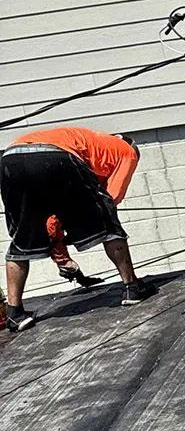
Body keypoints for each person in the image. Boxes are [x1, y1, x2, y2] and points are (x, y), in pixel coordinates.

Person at [2, 123, 157, 334]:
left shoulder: (90, 143)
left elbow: (52, 220)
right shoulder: (127, 151)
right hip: (56, 156)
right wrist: (91, 218)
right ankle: (133, 288)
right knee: (108, 222)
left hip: (10, 159)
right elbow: (112, 197)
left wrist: (63, 259)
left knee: (22, 240)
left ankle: (14, 313)